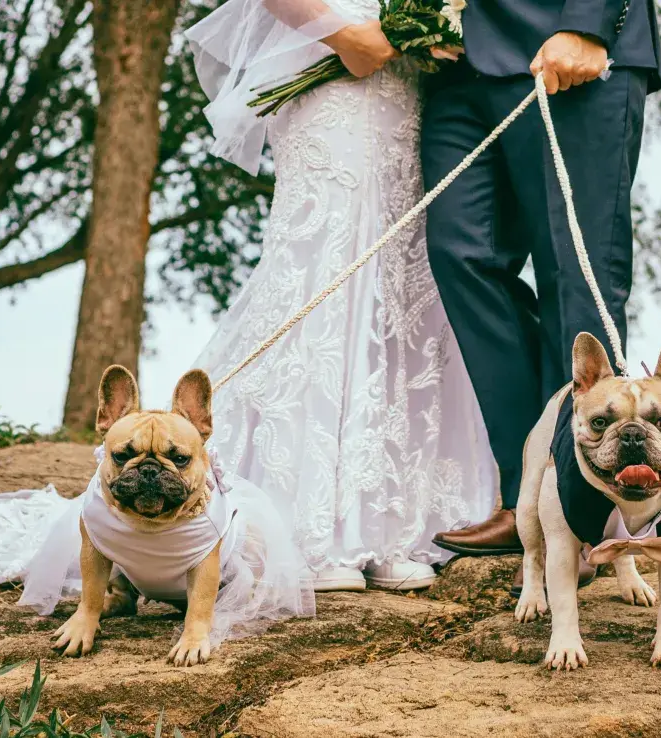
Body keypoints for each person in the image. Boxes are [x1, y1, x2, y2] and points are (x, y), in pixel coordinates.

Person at [185, 0, 497, 592]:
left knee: (399, 283)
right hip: (330, 70)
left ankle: (393, 523)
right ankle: (310, 526)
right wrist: (342, 31)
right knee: (326, 269)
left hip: (406, 89)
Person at [421, 0, 661, 591]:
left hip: (567, 49)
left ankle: (580, 507)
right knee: (461, 256)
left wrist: (588, 24)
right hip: (455, 64)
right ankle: (524, 495)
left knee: (576, 276)